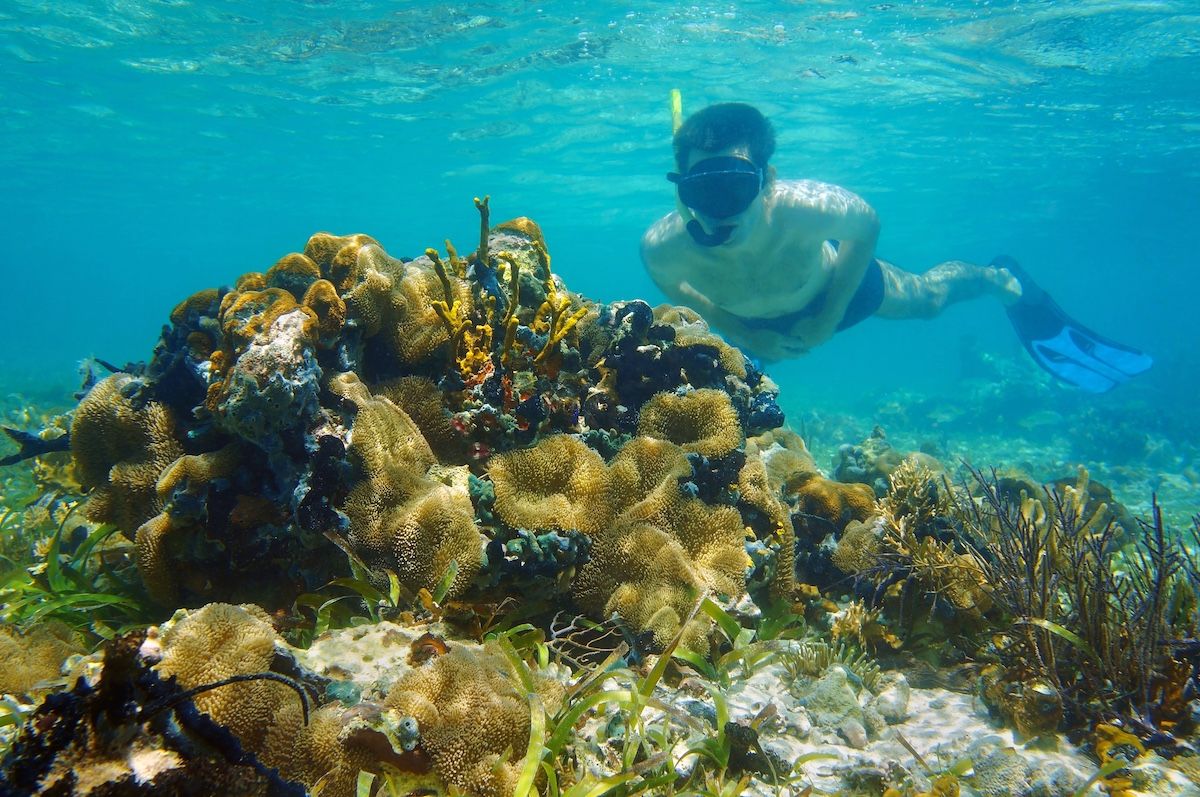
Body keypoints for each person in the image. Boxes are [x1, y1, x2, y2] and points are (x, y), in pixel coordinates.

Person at [641, 102, 1151, 393]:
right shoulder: (662, 249)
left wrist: (828, 315)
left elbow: (866, 224)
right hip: (756, 323)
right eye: (699, 190)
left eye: (734, 187)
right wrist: (737, 329)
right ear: (679, 189)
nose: (719, 211)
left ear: (768, 181)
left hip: (835, 287)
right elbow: (673, 285)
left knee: (928, 301)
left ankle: (1001, 278)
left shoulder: (806, 209)